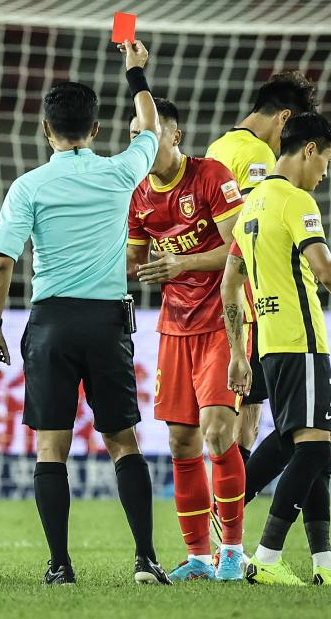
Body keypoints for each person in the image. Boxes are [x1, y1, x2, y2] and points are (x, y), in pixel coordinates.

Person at [0, 40, 170, 586]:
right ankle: (145, 560)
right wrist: (135, 73)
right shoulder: (119, 173)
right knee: (123, 442)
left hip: (52, 324)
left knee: (51, 446)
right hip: (106, 323)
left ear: (47, 129)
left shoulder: (28, 187)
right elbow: (151, 128)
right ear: (96, 129)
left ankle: (60, 566)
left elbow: (1, 264)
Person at [221, 112, 331, 586]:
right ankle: (266, 556)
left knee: (313, 443)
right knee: (314, 446)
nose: (325, 171)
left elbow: (229, 284)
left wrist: (239, 351)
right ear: (309, 150)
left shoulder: (252, 204)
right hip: (301, 342)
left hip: (269, 345)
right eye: (327, 159)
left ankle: (323, 561)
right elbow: (327, 272)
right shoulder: (295, 201)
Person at [124, 98, 248, 582]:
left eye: (151, 133)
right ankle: (198, 557)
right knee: (181, 442)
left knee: (217, 432)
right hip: (174, 327)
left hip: (222, 318)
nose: (141, 143)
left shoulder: (211, 176)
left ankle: (232, 551)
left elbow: (239, 250)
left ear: (175, 136)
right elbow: (133, 263)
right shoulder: (137, 194)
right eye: (134, 135)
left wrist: (182, 263)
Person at [205, 70, 319, 465]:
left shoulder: (218, 147)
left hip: (214, 298)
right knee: (250, 422)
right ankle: (232, 499)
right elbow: (251, 235)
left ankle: (227, 496)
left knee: (227, 418)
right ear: (284, 118)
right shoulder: (258, 155)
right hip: (250, 305)